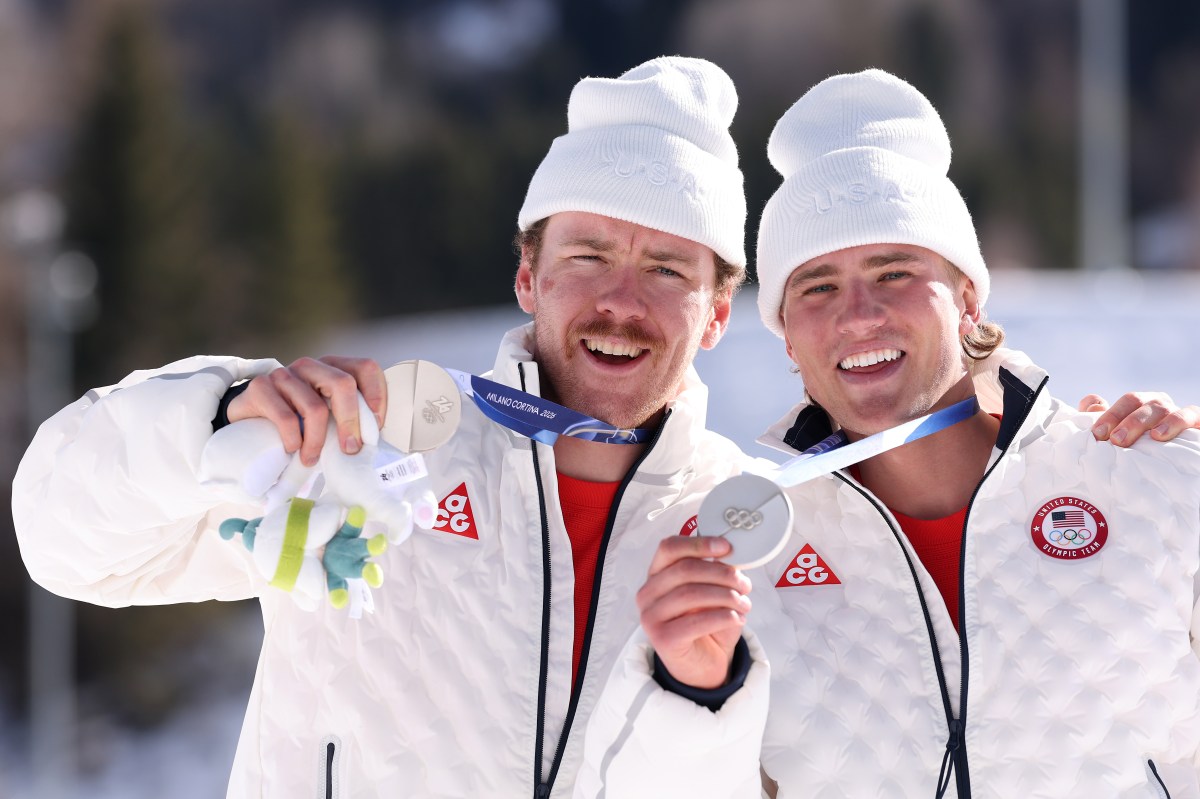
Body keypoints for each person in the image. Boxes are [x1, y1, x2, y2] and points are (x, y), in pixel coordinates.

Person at [11, 58, 1189, 799]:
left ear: (719, 312)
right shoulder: (375, 445)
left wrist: (701, 691)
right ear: (528, 277)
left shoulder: (746, 528)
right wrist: (213, 415)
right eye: (588, 256)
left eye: (668, 268)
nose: (622, 300)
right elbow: (66, 540)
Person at [576, 69, 1200, 799]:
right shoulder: (740, 556)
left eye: (894, 271)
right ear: (786, 337)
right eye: (816, 287)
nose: (858, 315)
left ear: (967, 297)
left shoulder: (1150, 476)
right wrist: (692, 691)